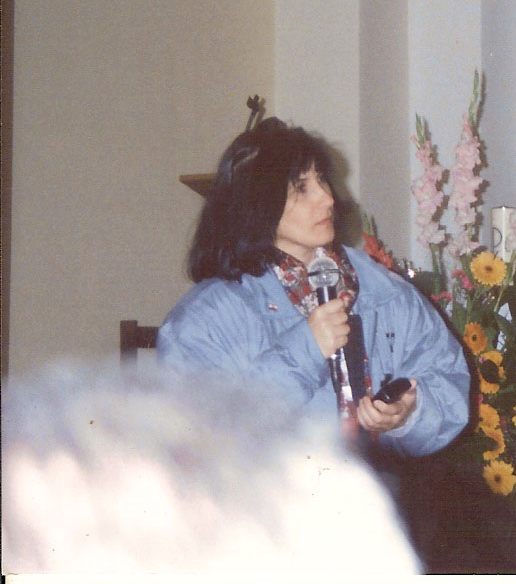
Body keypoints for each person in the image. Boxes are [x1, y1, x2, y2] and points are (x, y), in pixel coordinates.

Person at [157, 117, 471, 560]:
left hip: (375, 530)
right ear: (255, 203)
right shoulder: (203, 320)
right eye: (301, 188)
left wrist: (409, 414)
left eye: (322, 179)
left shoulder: (383, 290)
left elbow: (447, 380)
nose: (327, 197)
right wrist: (305, 349)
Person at [2, 359, 422, 574]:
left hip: (325, 505)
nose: (328, 208)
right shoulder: (212, 309)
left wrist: (409, 413)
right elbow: (204, 423)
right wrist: (308, 343)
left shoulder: (364, 282)